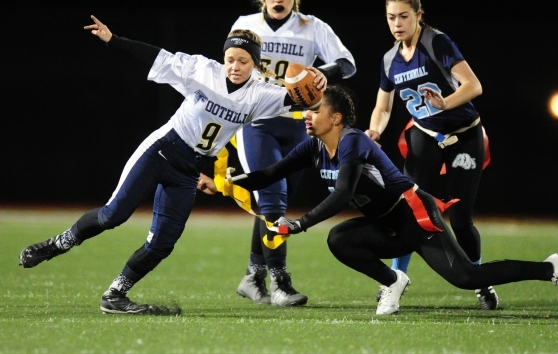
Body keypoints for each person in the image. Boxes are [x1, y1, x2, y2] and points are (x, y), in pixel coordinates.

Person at [17, 15, 326, 315]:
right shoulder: (202, 70)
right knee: (114, 214)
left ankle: (115, 294)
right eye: (230, 58)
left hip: (189, 171)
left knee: (162, 243)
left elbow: (304, 98)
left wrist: (322, 83)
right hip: (162, 151)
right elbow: (156, 57)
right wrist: (114, 40)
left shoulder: (261, 94)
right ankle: (58, 243)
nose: (234, 66)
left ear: (255, 63)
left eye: (243, 61)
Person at [197, 85, 558, 315]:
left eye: (316, 109)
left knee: (466, 277)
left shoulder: (352, 141)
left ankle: (549, 267)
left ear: (336, 118)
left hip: (415, 217)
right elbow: (271, 173)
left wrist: (297, 224)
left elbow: (344, 194)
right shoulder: (315, 145)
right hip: (385, 223)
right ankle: (393, 281)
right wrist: (233, 180)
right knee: (340, 240)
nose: (307, 115)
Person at [364, 0, 497, 309]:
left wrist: (445, 103)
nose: (397, 23)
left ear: (418, 15)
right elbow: (383, 107)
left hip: (465, 136)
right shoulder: (389, 60)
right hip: (424, 136)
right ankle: (396, 281)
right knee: (408, 212)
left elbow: (473, 85)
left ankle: (481, 281)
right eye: (391, 17)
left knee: (461, 220)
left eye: (403, 16)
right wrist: (374, 131)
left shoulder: (436, 42)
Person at [226, 0, 356, 307]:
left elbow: (347, 63)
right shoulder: (245, 24)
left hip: (299, 125)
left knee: (276, 204)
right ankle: (280, 282)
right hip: (257, 122)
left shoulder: (311, 26)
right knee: (272, 200)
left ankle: (253, 276)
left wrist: (323, 72)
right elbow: (230, 69)